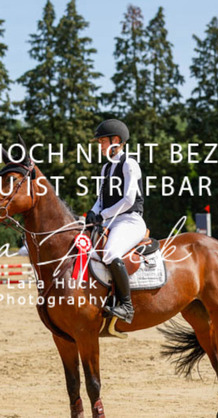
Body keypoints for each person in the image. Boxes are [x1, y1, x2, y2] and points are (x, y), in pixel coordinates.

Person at [86, 119, 147, 324]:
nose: (100, 146)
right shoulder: (106, 168)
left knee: (111, 253)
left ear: (116, 140)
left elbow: (129, 200)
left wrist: (102, 215)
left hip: (130, 220)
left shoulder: (129, 163)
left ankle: (127, 306)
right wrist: (93, 212)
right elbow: (101, 199)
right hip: (110, 221)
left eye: (102, 141)